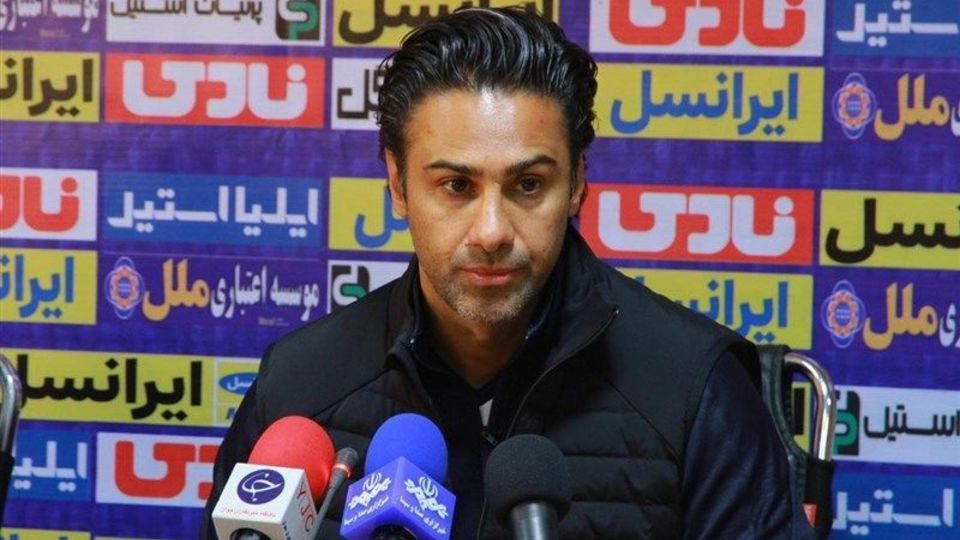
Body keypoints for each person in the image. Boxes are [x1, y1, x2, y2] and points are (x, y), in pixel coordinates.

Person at [203, 7, 814, 539]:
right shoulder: (300, 386)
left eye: (527, 185)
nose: (492, 231)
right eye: (455, 186)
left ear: (577, 182)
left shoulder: (694, 390)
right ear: (397, 183)